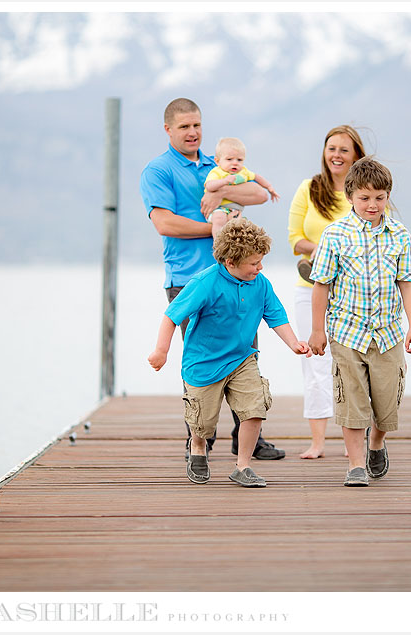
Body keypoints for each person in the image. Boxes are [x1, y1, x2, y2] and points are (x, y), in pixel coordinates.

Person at [140, 97, 286, 460]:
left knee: (244, 353)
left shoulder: (217, 163)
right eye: (185, 126)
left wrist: (218, 190)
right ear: (168, 130)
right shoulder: (158, 170)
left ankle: (248, 437)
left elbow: (257, 192)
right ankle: (199, 442)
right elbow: (164, 222)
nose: (193, 132)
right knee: (198, 359)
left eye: (197, 125)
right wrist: (214, 229)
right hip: (188, 277)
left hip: (234, 275)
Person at [147, 218, 311, 487]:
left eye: (261, 261)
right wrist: (161, 351)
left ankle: (243, 466)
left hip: (242, 357)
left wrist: (293, 343)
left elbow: (276, 316)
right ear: (230, 262)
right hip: (204, 363)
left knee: (255, 407)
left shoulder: (260, 283)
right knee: (202, 422)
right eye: (254, 263)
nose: (260, 268)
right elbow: (171, 316)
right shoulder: (205, 282)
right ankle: (198, 447)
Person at [308, 157, 411, 486]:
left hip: (388, 333)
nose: (372, 205)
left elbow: (408, 284)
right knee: (352, 399)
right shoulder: (335, 235)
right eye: (364, 198)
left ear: (388, 196)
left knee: (387, 402)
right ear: (350, 197)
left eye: (379, 197)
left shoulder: (400, 235)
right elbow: (321, 286)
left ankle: (377, 443)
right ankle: (356, 465)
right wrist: (318, 331)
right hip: (347, 332)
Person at [286, 125, 366, 458]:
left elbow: (376, 235)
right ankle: (318, 442)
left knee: (352, 364)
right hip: (311, 287)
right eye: (331, 148)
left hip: (354, 292)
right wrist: (324, 248)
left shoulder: (366, 193)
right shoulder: (309, 188)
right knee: (314, 361)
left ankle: (354, 442)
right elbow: (294, 239)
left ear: (356, 155)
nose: (336, 155)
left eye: (343, 150)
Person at [204, 137, 279, 238]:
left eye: (239, 160)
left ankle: (233, 248)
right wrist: (224, 181)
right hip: (219, 209)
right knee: (219, 219)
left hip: (235, 211)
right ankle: (218, 243)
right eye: (229, 159)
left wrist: (269, 187)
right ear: (218, 161)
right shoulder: (217, 172)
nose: (235, 163)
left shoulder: (243, 172)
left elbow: (256, 177)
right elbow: (209, 186)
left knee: (241, 228)